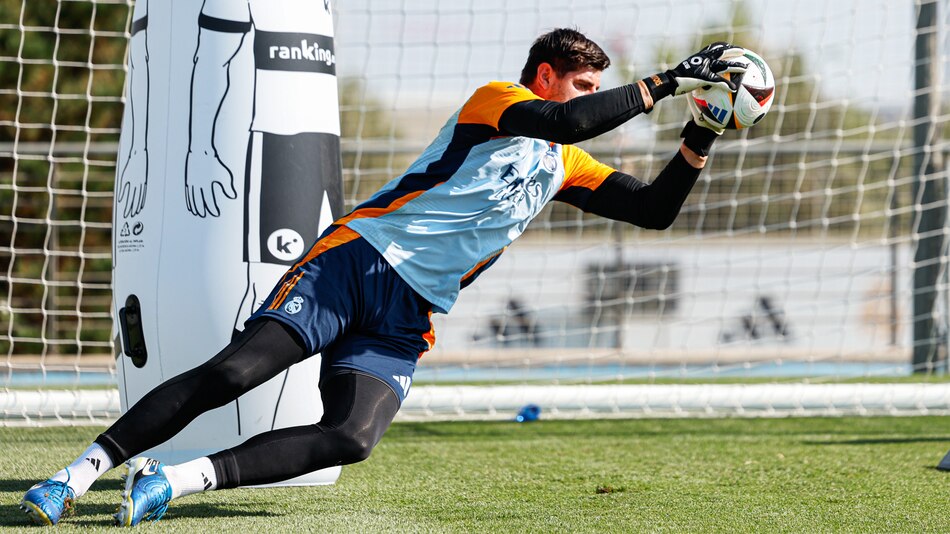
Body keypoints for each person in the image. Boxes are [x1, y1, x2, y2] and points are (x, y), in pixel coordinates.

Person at [20, 28, 745, 526]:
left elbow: (652, 210)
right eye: (582, 82)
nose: (590, 94)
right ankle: (73, 477)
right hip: (356, 261)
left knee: (352, 435)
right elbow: (566, 122)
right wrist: (673, 79)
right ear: (546, 76)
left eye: (596, 86)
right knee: (240, 370)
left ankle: (172, 479)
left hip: (410, 312)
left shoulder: (566, 167)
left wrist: (702, 129)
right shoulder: (496, 102)